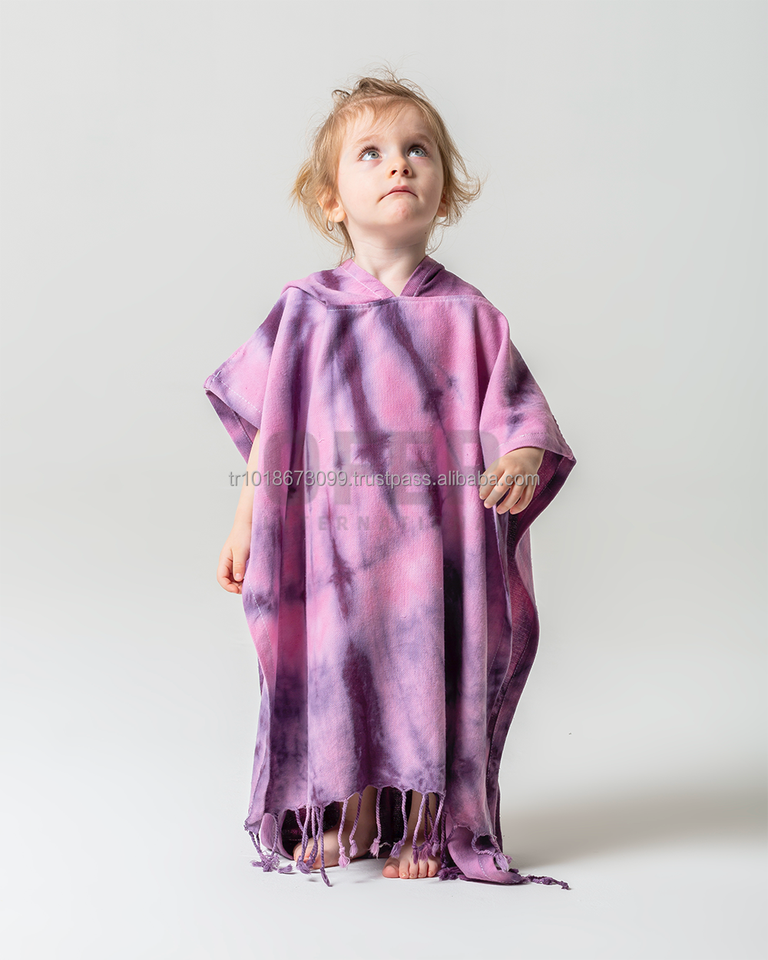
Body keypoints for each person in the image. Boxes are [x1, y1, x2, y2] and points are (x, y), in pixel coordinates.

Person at [203, 71, 576, 888]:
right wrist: (244, 524)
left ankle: (428, 820)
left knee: (422, 672)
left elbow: (518, 413)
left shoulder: (469, 317)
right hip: (334, 551)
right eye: (370, 153)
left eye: (418, 150)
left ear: (445, 190)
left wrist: (519, 457)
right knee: (342, 666)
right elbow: (269, 429)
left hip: (430, 557)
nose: (398, 164)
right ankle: (354, 809)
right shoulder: (306, 310)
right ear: (331, 200)